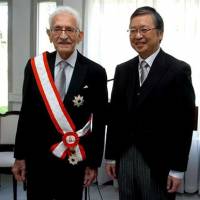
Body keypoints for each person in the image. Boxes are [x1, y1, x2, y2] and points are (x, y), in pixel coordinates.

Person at [12, 6, 108, 200]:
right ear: (49, 34)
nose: (63, 35)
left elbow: (99, 122)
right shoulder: (34, 67)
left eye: (69, 30)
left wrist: (93, 163)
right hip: (38, 158)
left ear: (80, 35)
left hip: (74, 158)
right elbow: (26, 115)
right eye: (57, 29)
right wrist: (19, 156)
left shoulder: (95, 72)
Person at [105, 6, 195, 200]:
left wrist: (178, 169)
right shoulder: (123, 70)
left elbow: (183, 125)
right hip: (125, 158)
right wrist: (111, 156)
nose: (137, 36)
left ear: (160, 33)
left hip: (158, 161)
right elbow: (115, 117)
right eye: (132, 30)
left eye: (144, 30)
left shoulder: (178, 70)